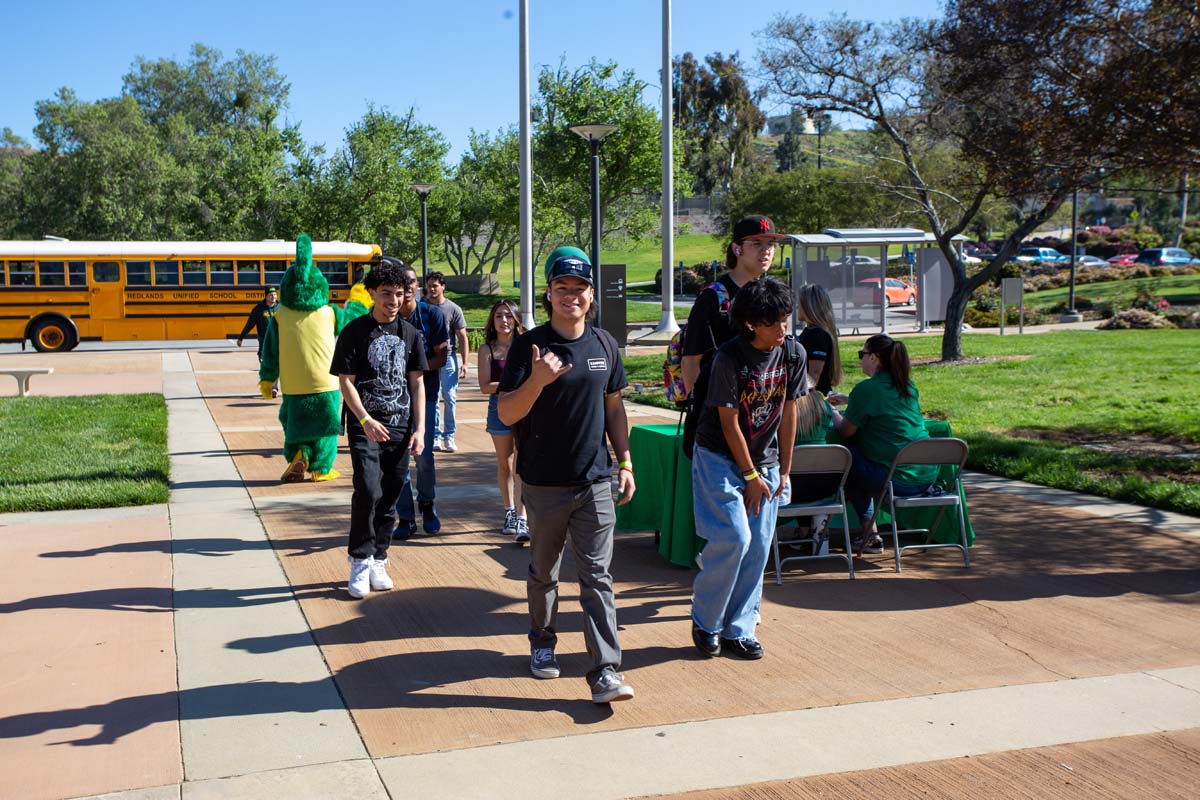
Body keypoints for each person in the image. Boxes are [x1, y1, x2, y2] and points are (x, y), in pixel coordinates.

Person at [497, 246, 636, 705]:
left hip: (595, 481)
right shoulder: (529, 346)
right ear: (549, 293)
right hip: (542, 484)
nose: (570, 297)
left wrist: (625, 461)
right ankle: (542, 641)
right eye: (562, 288)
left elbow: (614, 407)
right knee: (544, 572)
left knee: (597, 576)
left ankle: (605, 671)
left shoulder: (605, 345)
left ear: (591, 295)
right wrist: (537, 379)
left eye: (579, 289)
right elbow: (506, 410)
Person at [689, 277, 803, 661]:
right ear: (751, 323)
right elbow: (728, 421)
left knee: (757, 546)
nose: (782, 330)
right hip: (720, 456)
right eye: (774, 323)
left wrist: (784, 470)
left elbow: (789, 411)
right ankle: (706, 622)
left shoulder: (793, 354)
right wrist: (751, 476)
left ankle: (740, 628)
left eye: (786, 320)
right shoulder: (728, 358)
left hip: (766, 461)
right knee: (735, 538)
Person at [330, 260, 427, 598]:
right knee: (368, 490)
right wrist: (364, 420)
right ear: (372, 293)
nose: (394, 301)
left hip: (400, 427)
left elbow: (417, 384)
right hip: (365, 426)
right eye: (386, 294)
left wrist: (421, 429)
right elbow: (346, 381)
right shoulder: (355, 332)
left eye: (399, 294)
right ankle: (359, 558)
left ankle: (379, 557)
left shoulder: (411, 334)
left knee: (390, 496)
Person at [830, 334, 939, 554]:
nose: (860, 359)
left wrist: (831, 412)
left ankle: (870, 534)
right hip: (928, 476)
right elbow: (884, 404)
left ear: (874, 358)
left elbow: (845, 431)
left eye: (862, 354)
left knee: (848, 458)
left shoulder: (867, 390)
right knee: (860, 463)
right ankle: (870, 532)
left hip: (898, 480)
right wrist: (850, 400)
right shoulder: (907, 386)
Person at [681, 215, 786, 421]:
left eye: (771, 244)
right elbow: (691, 361)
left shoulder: (773, 295)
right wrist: (701, 414)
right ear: (737, 249)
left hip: (763, 410)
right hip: (721, 412)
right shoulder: (713, 298)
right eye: (756, 244)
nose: (766, 250)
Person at [391, 263, 449, 536]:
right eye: (403, 282)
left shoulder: (432, 315)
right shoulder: (387, 317)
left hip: (425, 394)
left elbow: (442, 357)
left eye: (413, 281)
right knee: (398, 459)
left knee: (423, 456)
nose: (409, 286)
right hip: (393, 399)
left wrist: (414, 370)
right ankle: (405, 516)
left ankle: (427, 504)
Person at [478, 299, 528, 541]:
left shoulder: (526, 344)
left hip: (526, 408)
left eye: (508, 315)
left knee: (522, 464)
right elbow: (485, 386)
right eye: (499, 316)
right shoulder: (487, 349)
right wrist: (515, 386)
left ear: (516, 318)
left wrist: (520, 389)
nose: (504, 320)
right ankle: (509, 511)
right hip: (499, 409)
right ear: (492, 320)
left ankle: (522, 516)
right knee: (504, 464)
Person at [424, 271, 469, 453]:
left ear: (443, 286)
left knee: (449, 397)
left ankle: (449, 436)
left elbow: (462, 337)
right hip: (428, 358)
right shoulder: (422, 307)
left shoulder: (453, 309)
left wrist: (464, 363)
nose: (432, 289)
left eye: (435, 285)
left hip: (448, 357)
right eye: (429, 286)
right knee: (432, 399)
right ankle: (435, 435)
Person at [796, 284, 843, 397]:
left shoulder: (817, 334)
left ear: (809, 306)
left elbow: (814, 374)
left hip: (814, 400)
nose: (797, 306)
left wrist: (803, 399)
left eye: (800, 303)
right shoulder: (812, 331)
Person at [238, 286, 280, 396]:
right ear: (266, 296)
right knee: (265, 366)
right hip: (264, 345)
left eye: (275, 294)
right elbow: (249, 324)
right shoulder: (258, 309)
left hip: (278, 343)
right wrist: (241, 337)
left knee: (276, 365)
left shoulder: (281, 308)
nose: (273, 296)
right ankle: (269, 386)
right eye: (271, 295)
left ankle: (274, 387)